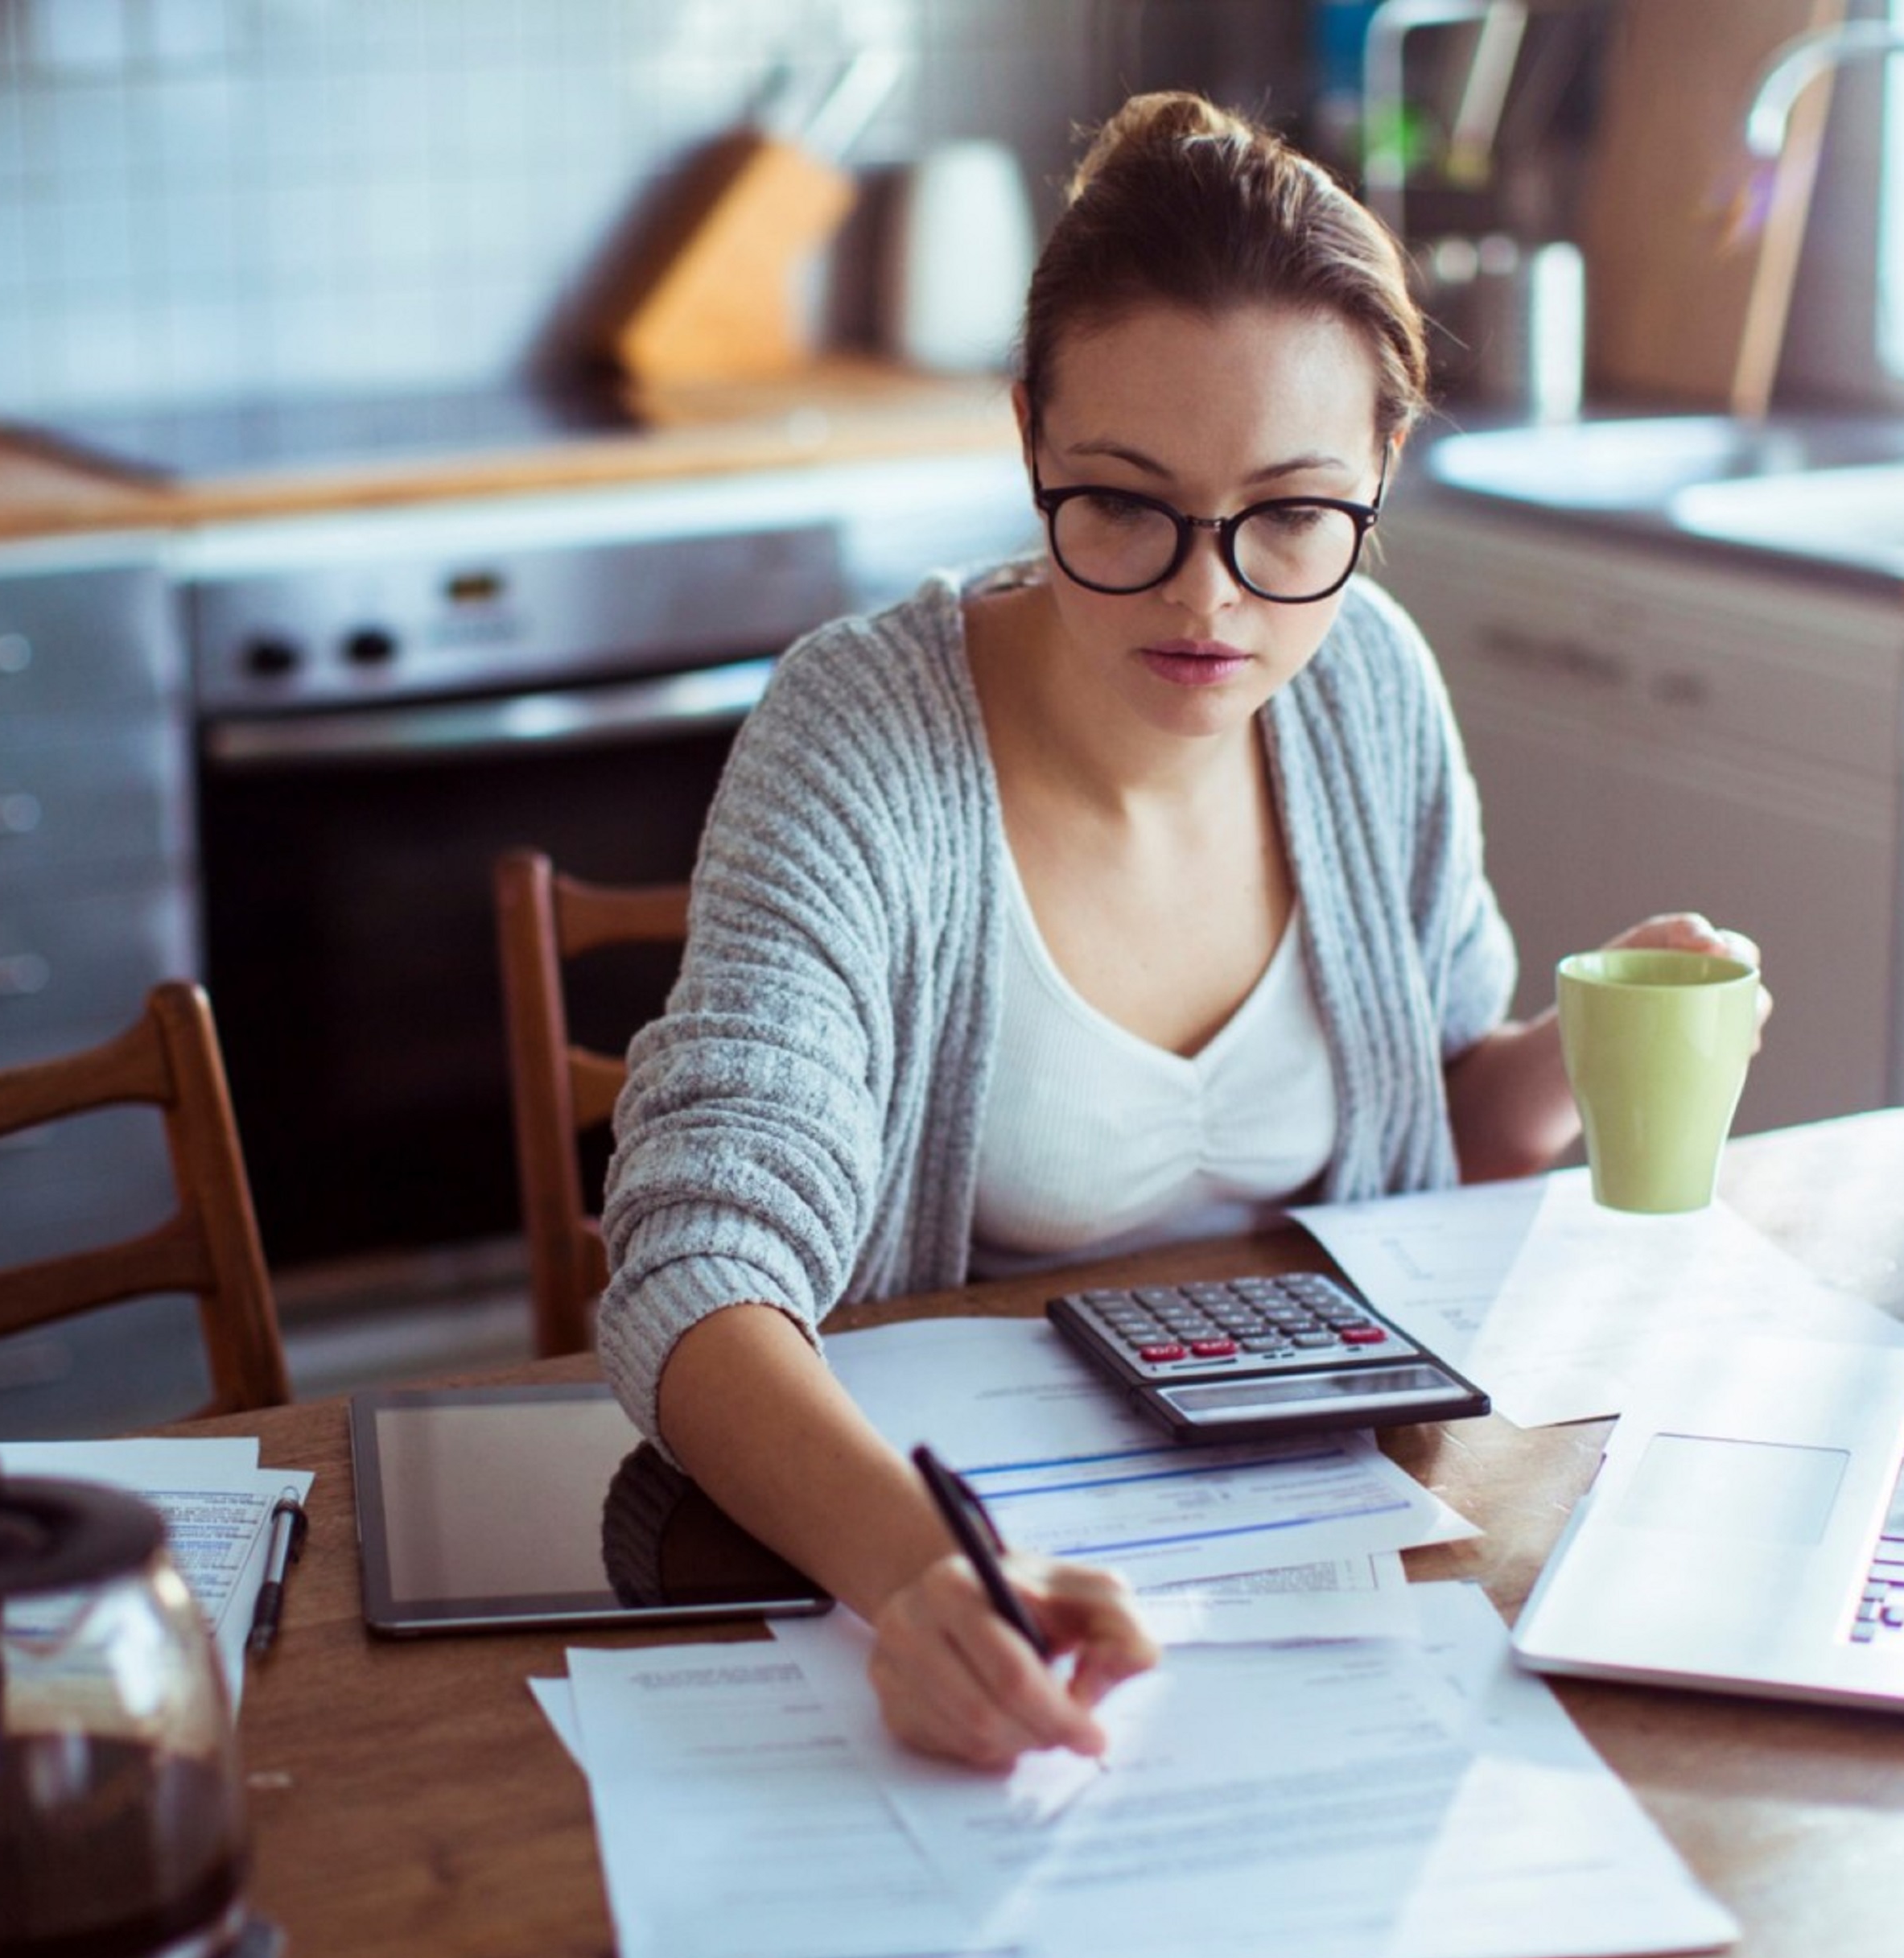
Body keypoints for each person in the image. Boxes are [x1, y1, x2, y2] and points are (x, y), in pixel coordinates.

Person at [596, 90, 1763, 1771]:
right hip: (964, 1555)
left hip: (1337, 1561)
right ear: (1030, 440)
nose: (1208, 600)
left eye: (1293, 513)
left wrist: (1585, 1050)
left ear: (1381, 467)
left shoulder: (1368, 681)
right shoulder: (860, 732)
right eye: (1128, 505)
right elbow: (696, 1275)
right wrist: (932, 1573)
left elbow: (1430, 1118)